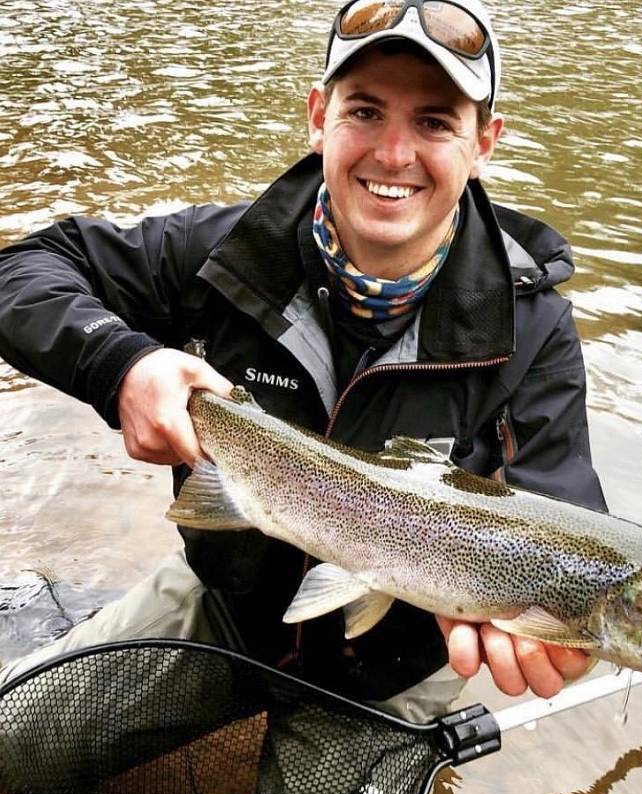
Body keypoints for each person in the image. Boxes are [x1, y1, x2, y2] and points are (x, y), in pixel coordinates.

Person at [0, 0, 606, 721]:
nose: (393, 154)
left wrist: (564, 624)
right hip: (223, 609)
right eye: (366, 112)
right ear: (319, 116)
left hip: (396, 668)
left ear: (484, 143)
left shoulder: (533, 327)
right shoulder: (223, 253)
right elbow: (25, 270)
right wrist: (122, 365)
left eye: (436, 123)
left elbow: (567, 522)